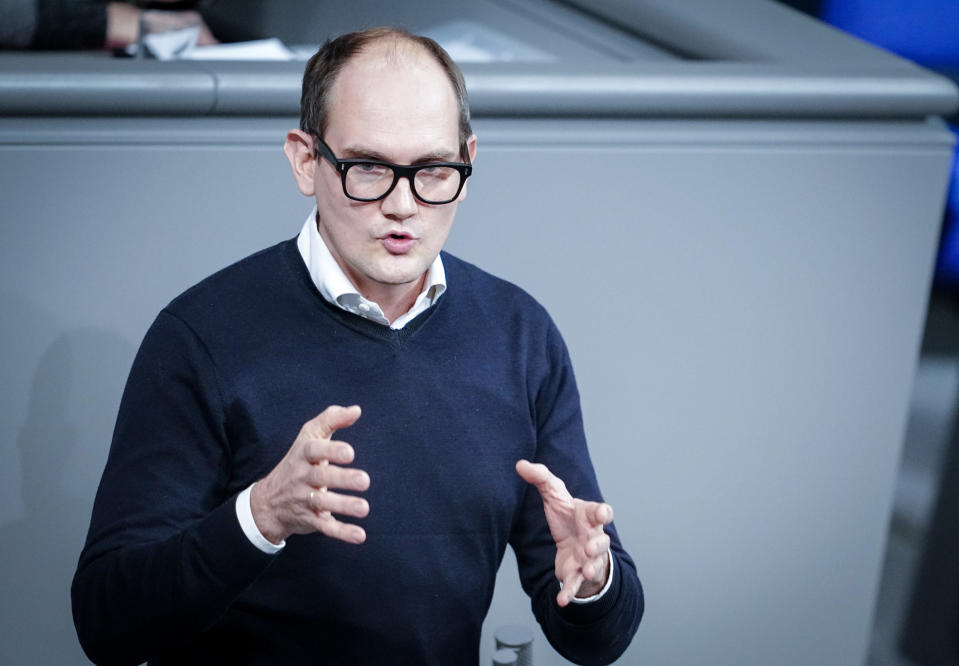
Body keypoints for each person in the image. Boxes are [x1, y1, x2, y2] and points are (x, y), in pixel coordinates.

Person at [71, 27, 643, 666]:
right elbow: (107, 624)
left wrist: (593, 583)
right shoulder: (200, 337)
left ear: (468, 160)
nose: (403, 205)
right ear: (305, 160)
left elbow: (598, 639)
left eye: (432, 170)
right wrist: (259, 518)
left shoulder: (519, 335)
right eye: (368, 168)